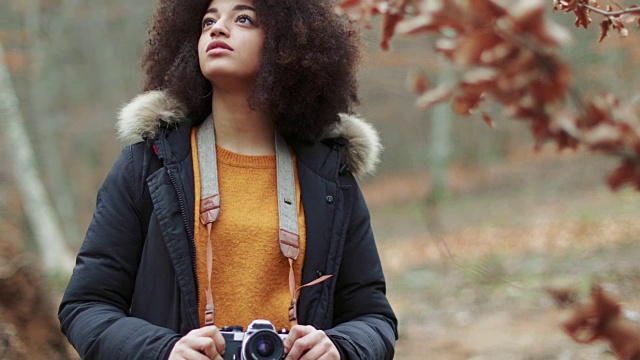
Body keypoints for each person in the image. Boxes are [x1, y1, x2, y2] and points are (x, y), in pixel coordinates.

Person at [58, 0, 397, 359]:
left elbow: (373, 317)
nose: (217, 29)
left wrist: (340, 348)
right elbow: (86, 306)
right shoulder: (147, 166)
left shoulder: (328, 176)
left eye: (244, 18)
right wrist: (164, 351)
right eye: (207, 21)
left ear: (289, 41)